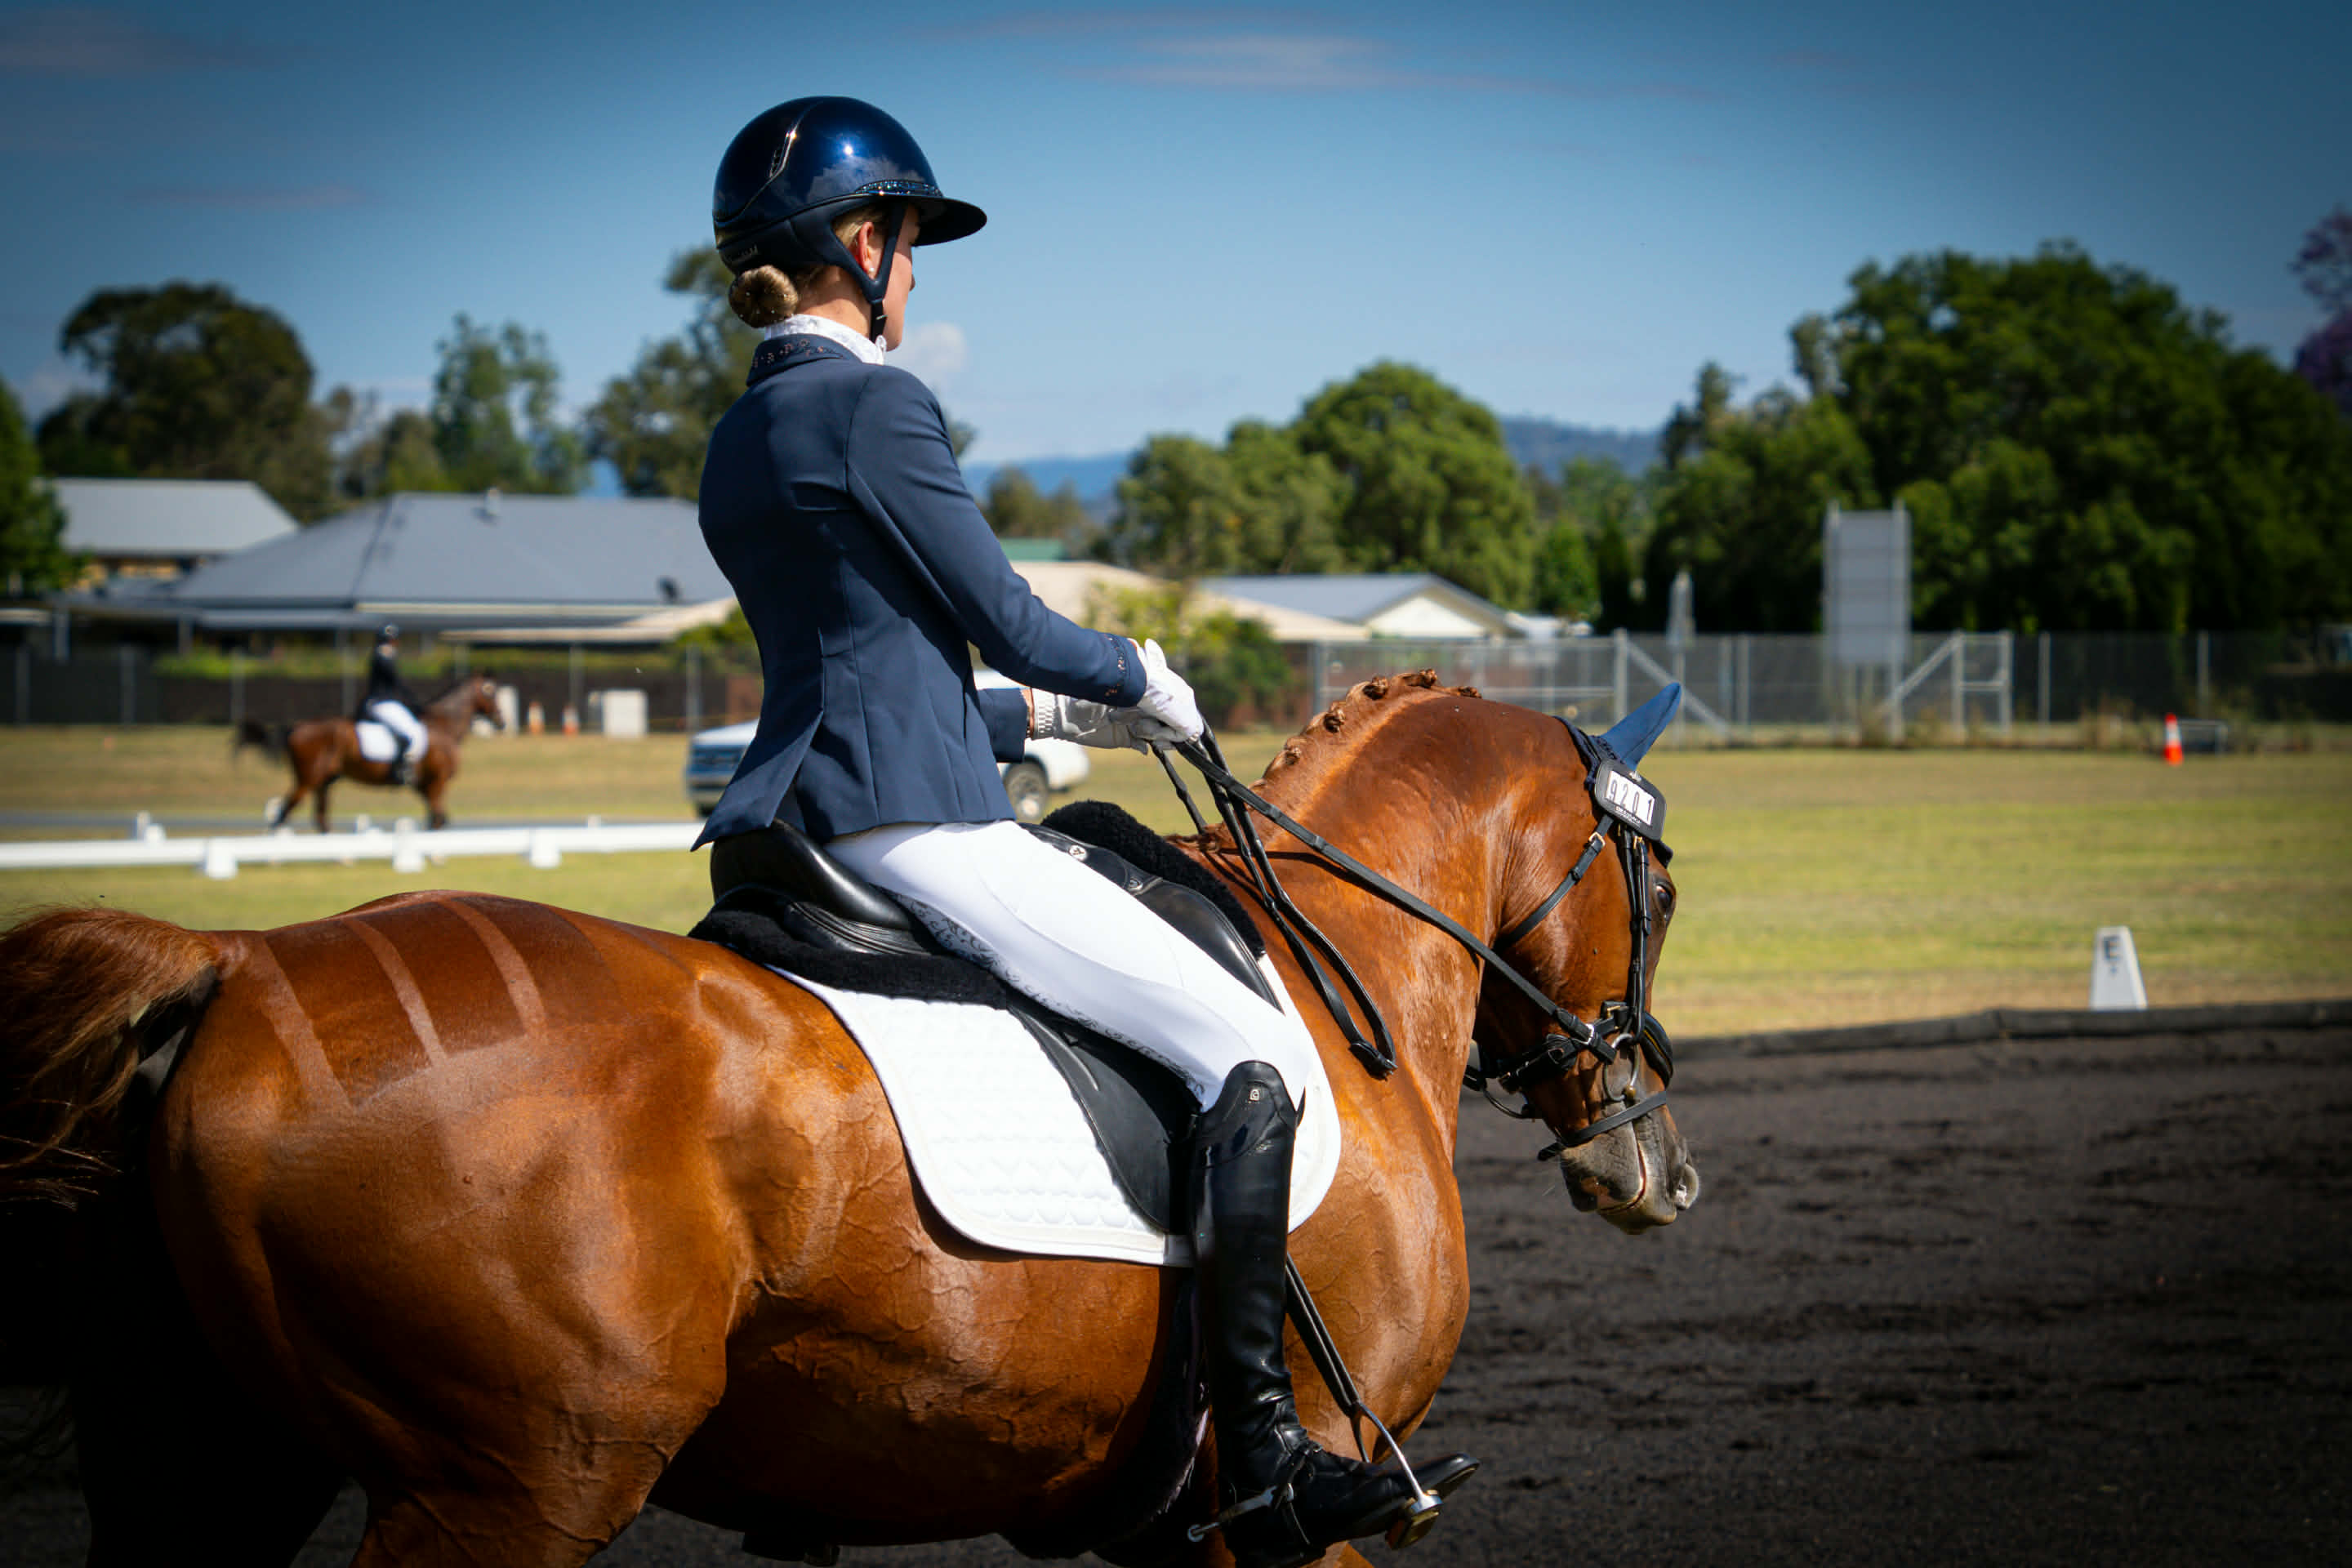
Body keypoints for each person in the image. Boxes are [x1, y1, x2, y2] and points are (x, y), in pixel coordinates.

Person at [695, 97, 1470, 1567]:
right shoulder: (874, 405)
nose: (915, 278)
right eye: (911, 247)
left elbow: (862, 661)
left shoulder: (744, 432)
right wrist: (1137, 678)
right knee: (1247, 1056)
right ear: (865, 247)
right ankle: (1263, 1460)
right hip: (915, 829)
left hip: (800, 819)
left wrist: (1034, 731)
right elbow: (1003, 618)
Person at [358, 624, 425, 787]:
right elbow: (396, 681)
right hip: (381, 703)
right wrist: (414, 700)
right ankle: (401, 769)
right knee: (407, 734)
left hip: (388, 702)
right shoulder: (382, 657)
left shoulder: (385, 656)